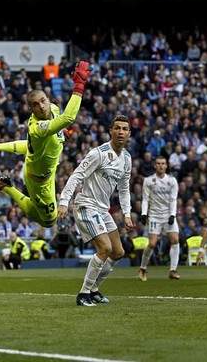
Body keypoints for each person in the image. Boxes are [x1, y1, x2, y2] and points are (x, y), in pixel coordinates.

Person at [0, 61, 91, 228]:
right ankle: (6, 187)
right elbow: (68, 118)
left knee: (40, 212)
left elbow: (28, 146)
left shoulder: (54, 109)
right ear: (31, 109)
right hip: (39, 183)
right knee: (49, 221)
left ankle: (3, 184)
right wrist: (79, 85)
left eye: (43, 101)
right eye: (35, 105)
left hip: (45, 169)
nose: (41, 106)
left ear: (48, 99)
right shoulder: (37, 128)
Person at [58, 115, 133, 307]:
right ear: (111, 131)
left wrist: (126, 213)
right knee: (105, 248)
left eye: (124, 129)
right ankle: (83, 294)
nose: (121, 132)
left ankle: (93, 290)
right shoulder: (98, 153)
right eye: (117, 128)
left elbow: (124, 189)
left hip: (102, 209)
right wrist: (64, 201)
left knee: (117, 252)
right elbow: (77, 175)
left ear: (129, 133)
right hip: (86, 205)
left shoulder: (126, 159)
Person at [137, 156, 181, 281]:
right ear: (154, 166)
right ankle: (142, 269)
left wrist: (173, 214)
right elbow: (145, 199)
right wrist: (144, 213)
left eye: (163, 163)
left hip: (168, 215)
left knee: (175, 240)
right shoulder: (149, 181)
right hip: (155, 216)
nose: (161, 166)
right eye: (158, 163)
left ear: (166, 166)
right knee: (152, 243)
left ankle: (173, 270)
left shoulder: (172, 181)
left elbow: (173, 199)